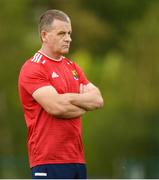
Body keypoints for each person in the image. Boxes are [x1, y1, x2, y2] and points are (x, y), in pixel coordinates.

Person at [18, 9, 104, 179]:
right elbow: (57, 107)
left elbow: (97, 99)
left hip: (77, 158)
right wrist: (82, 105)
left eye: (69, 33)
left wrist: (69, 98)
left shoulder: (72, 67)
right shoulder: (33, 68)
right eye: (62, 33)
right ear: (44, 35)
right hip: (48, 160)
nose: (68, 38)